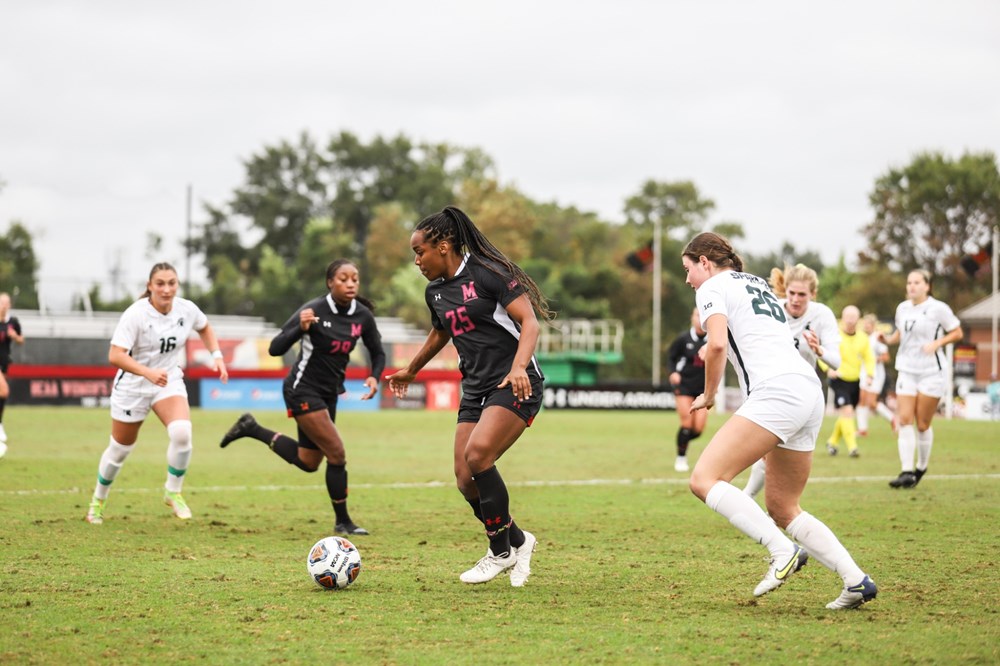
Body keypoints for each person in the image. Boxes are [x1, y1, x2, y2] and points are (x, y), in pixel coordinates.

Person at [682, 232, 876, 609]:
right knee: (784, 506)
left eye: (688, 269)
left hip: (776, 392)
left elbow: (717, 344)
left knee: (704, 479)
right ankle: (856, 581)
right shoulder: (755, 282)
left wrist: (708, 394)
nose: (687, 279)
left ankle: (781, 549)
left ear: (705, 261)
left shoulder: (711, 287)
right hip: (808, 389)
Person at [386, 206, 550, 587]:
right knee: (465, 479)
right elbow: (441, 332)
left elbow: (529, 322)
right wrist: (412, 368)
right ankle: (519, 540)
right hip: (475, 387)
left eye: (419, 251)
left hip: (515, 383)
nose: (416, 260)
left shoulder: (489, 273)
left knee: (479, 455)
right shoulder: (435, 292)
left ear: (443, 246)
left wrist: (518, 367)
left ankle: (499, 552)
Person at [219, 259, 385, 536]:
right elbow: (275, 348)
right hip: (301, 388)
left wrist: (374, 376)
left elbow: (377, 351)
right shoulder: (314, 310)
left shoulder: (362, 316)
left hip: (330, 393)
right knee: (337, 452)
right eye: (343, 279)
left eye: (354, 278)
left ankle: (252, 428)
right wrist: (300, 328)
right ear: (330, 283)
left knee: (309, 462)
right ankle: (343, 521)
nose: (351, 283)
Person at [85, 263, 229, 524]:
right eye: (160, 283)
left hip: (168, 380)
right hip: (133, 386)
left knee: (182, 433)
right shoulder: (135, 315)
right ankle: (98, 500)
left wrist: (216, 356)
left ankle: (173, 492)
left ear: (177, 285)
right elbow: (115, 356)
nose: (166, 289)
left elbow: (205, 327)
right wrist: (146, 372)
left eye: (171, 283)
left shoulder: (186, 309)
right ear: (150, 286)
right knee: (119, 450)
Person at [743, 264, 841, 498]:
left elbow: (836, 361)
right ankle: (749, 499)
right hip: (770, 388)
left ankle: (751, 499)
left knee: (775, 453)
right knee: (768, 451)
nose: (796, 299)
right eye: (792, 293)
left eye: (802, 295)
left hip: (803, 395)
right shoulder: (771, 309)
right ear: (785, 290)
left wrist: (819, 350)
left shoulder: (822, 314)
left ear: (813, 294)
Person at [882, 269, 962, 489]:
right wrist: (888, 339)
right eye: (909, 282)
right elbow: (900, 334)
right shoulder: (902, 308)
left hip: (931, 372)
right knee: (905, 419)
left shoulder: (938, 309)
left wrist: (937, 343)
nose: (911, 286)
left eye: (916, 282)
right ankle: (907, 471)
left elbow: (957, 332)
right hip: (907, 369)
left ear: (927, 285)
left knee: (923, 423)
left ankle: (921, 466)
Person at [822, 305, 875, 457]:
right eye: (848, 317)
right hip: (838, 378)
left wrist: (870, 374)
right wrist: (828, 369)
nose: (850, 320)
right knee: (848, 411)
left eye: (853, 317)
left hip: (854, 380)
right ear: (843, 318)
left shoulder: (862, 338)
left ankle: (832, 441)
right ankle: (853, 447)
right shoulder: (834, 334)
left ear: (858, 320)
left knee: (847, 413)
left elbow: (869, 357)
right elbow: (822, 351)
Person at [667, 307, 707, 473]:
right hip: (684, 386)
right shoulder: (683, 339)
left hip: (703, 389)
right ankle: (681, 458)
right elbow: (671, 357)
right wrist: (673, 372)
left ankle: (681, 440)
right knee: (686, 424)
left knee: (697, 430)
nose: (700, 319)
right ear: (692, 317)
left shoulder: (714, 340)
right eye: (697, 315)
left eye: (703, 315)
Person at [857, 313, 895, 435]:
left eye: (867, 324)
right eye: (864, 324)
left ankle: (892, 418)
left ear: (873, 325)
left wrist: (873, 360)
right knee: (862, 400)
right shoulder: (863, 338)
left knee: (871, 403)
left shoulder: (877, 338)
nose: (865, 326)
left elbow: (886, 357)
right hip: (864, 372)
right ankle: (863, 429)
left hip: (876, 374)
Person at [0, 292, 24, 458]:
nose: (3, 305)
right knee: (4, 391)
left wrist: (14, 336)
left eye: (5, 303)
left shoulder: (13, 322)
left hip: (5, 363)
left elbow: (21, 340)